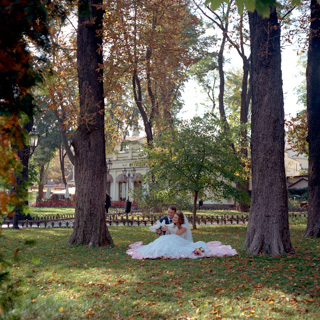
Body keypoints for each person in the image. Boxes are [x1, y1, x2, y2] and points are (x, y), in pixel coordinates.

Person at [127, 212, 237, 259]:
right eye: (173, 217)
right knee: (161, 243)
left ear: (179, 219)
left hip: (182, 243)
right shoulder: (173, 225)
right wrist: (160, 229)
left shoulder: (183, 227)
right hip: (171, 240)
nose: (173, 219)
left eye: (175, 218)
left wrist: (168, 228)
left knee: (196, 248)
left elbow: (178, 233)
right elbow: (166, 229)